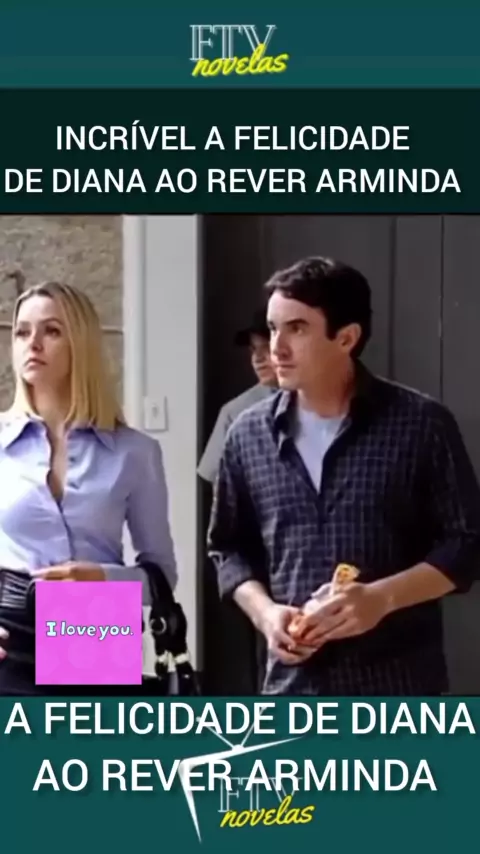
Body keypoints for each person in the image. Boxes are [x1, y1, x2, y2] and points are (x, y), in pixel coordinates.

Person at [207, 256, 480, 696]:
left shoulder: (422, 424)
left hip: (399, 690)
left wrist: (382, 598)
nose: (276, 348)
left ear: (347, 338)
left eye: (296, 329)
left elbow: (467, 543)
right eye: (273, 328)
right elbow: (228, 547)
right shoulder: (246, 434)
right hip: (291, 690)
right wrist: (265, 614)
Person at [0, 281, 177, 694]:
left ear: (81, 344)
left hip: (97, 623)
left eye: (51, 331)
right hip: (8, 632)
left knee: (88, 737)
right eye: (22, 332)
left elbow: (161, 573)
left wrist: (102, 578)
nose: (33, 344)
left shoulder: (135, 452)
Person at [198, 308, 277, 485]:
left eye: (267, 347)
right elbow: (218, 480)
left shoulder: (319, 403)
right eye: (253, 349)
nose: (257, 358)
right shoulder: (235, 412)